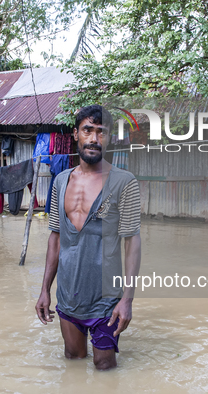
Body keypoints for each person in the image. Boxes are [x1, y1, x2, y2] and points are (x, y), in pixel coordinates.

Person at [35, 105, 142, 370]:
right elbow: (56, 239)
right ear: (76, 134)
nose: (94, 139)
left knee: (105, 367)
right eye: (88, 130)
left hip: (107, 299)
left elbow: (132, 243)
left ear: (109, 138)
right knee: (73, 361)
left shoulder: (124, 182)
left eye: (101, 132)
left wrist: (127, 299)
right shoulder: (60, 181)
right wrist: (44, 291)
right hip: (69, 295)